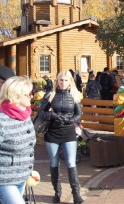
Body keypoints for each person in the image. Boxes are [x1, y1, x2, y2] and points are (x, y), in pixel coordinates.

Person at [38, 70, 84, 204]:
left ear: (70, 81)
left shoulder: (75, 95)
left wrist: (70, 121)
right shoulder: (50, 95)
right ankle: (57, 193)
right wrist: (52, 116)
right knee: (54, 163)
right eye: (61, 80)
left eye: (66, 80)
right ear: (57, 81)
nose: (63, 83)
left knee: (71, 162)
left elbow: (79, 114)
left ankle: (76, 194)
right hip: (52, 133)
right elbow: (41, 112)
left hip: (68, 132)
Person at [0, 76, 36, 204]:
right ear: (16, 96)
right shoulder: (2, 120)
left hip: (21, 176)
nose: (32, 97)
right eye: (28, 94)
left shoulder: (25, 115)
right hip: (4, 179)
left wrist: (29, 170)